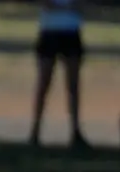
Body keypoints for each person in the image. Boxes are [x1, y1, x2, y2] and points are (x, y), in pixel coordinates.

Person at [30, 0, 90, 149]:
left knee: (73, 85)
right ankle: (35, 130)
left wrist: (61, 7)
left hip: (71, 30)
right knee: (44, 83)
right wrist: (67, 7)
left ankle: (75, 130)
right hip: (50, 30)